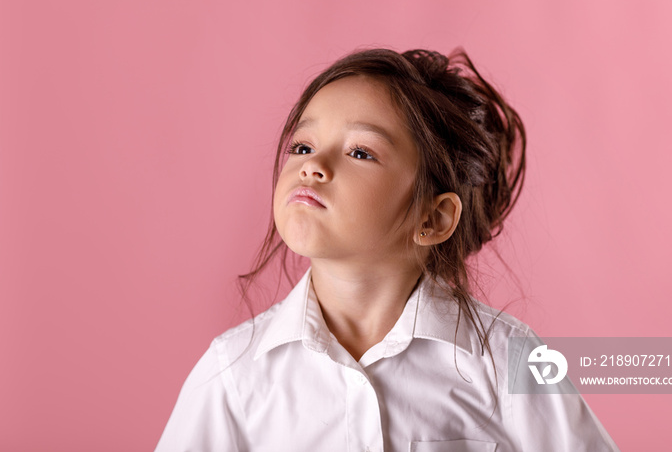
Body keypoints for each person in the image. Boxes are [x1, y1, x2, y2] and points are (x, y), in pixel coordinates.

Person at [155, 48, 619, 451]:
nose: (313, 165)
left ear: (433, 219)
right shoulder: (233, 373)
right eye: (301, 145)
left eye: (360, 152)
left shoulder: (507, 361)